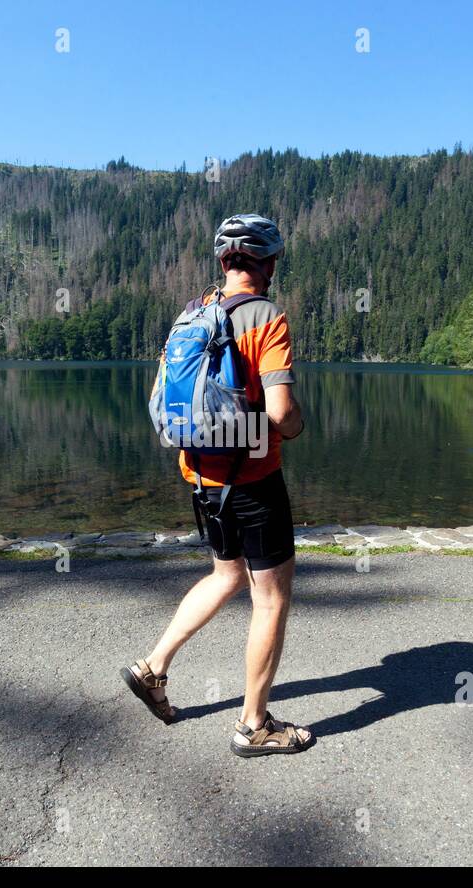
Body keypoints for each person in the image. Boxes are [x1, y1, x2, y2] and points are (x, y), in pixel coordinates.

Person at [121, 214, 313, 757]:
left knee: (227, 574)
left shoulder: (193, 313)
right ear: (268, 263)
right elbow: (280, 413)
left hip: (202, 475)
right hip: (253, 479)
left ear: (224, 262)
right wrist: (297, 426)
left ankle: (153, 667)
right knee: (270, 600)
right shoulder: (266, 317)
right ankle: (254, 726)